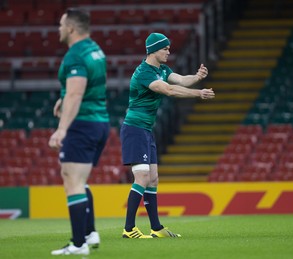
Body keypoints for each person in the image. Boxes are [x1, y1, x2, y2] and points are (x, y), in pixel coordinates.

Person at [121, 32, 215, 238]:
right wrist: (199, 93)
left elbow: (181, 80)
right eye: (165, 48)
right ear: (153, 50)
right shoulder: (144, 72)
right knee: (142, 177)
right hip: (135, 129)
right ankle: (128, 229)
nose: (168, 51)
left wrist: (197, 78)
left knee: (153, 179)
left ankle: (156, 228)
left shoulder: (162, 69)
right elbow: (170, 90)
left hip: (145, 130)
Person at [48, 8, 110, 255]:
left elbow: (76, 91)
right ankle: (89, 232)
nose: (59, 29)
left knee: (71, 180)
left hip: (82, 125)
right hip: (99, 121)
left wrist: (62, 128)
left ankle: (78, 244)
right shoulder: (95, 50)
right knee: (79, 180)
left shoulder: (74, 55)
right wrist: (64, 99)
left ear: (72, 28)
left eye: (61, 25)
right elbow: (87, 87)